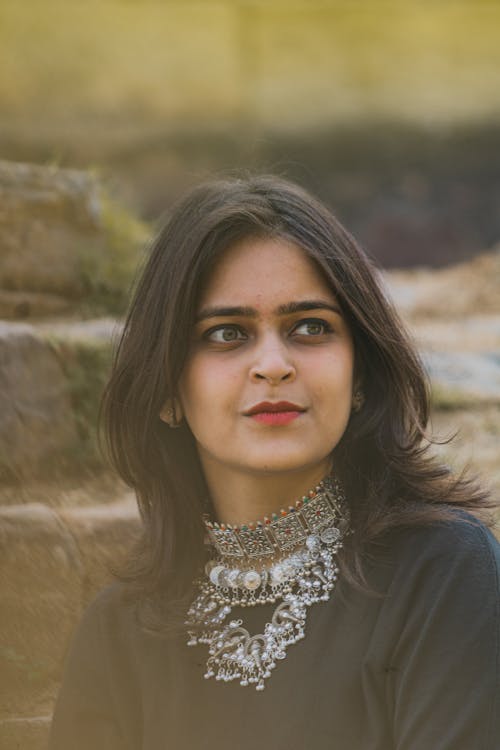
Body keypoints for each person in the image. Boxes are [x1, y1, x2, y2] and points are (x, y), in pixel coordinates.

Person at [49, 175, 500, 750]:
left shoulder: (440, 575)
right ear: (166, 388)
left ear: (359, 372)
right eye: (226, 333)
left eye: (310, 327)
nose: (273, 364)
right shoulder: (118, 634)